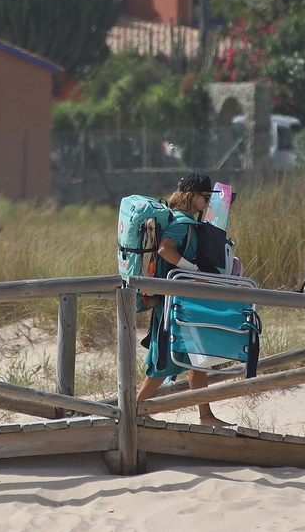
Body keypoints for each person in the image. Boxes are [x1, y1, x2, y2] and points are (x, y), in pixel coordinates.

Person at [134, 172, 228, 426]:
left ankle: (206, 416)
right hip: (174, 304)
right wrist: (193, 271)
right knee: (163, 360)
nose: (208, 201)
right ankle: (133, 410)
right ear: (190, 196)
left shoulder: (181, 220)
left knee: (196, 359)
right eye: (204, 197)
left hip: (180, 302)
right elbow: (165, 249)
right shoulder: (181, 223)